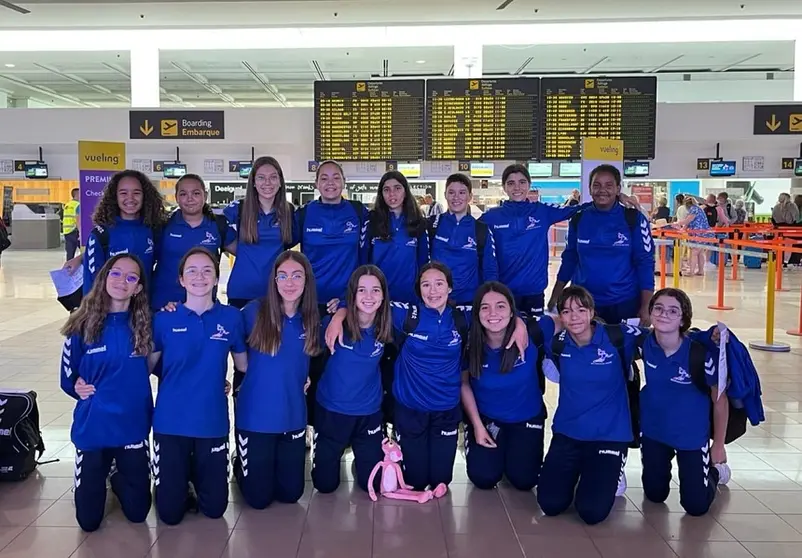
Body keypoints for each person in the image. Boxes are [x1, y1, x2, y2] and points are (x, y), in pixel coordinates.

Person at [325, 262, 528, 494]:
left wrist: (520, 323)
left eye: (439, 284)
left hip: (446, 410)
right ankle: (381, 454)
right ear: (419, 289)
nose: (433, 291)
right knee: (417, 482)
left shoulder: (463, 317)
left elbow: (499, 312)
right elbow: (368, 301)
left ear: (450, 288)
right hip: (411, 409)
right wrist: (339, 312)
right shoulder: (406, 315)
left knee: (442, 481)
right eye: (426, 285)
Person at [148, 248, 247, 525]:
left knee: (215, 510)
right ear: (181, 279)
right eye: (191, 270)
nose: (199, 276)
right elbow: (145, 367)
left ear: (217, 278)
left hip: (211, 422)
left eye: (207, 270)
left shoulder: (231, 318)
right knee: (169, 515)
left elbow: (243, 366)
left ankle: (193, 475)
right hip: (171, 423)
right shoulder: (164, 319)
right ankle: (180, 479)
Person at [59, 254, 154, 532]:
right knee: (88, 522)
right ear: (104, 278)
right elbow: (67, 376)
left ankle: (118, 477)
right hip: (94, 427)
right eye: (115, 273)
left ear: (138, 287)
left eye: (131, 277)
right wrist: (75, 384)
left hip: (132, 426)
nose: (122, 281)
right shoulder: (81, 324)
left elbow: (167, 363)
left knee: (138, 513)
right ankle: (102, 472)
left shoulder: (146, 324)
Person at [537, 286, 641, 525]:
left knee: (591, 513)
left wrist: (709, 337)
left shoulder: (617, 337)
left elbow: (662, 337)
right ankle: (582, 471)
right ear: (560, 316)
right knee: (550, 504)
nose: (574, 317)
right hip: (569, 432)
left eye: (580, 310)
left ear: (592, 312)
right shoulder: (558, 345)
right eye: (566, 311)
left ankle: (608, 470)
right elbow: (531, 325)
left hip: (608, 435)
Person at [234, 251, 318, 509]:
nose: (289, 282)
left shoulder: (312, 319)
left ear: (306, 281)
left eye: (296, 276)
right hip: (255, 420)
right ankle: (241, 461)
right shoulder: (252, 313)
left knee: (291, 494)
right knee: (259, 500)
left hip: (292, 419)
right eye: (282, 276)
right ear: (274, 280)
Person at [639, 288, 731, 516]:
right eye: (658, 308)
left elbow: (720, 401)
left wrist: (718, 445)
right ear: (650, 313)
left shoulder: (700, 354)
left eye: (673, 311)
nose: (664, 315)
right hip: (654, 432)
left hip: (690, 436)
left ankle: (716, 472)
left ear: (683, 319)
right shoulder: (644, 343)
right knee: (655, 495)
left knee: (695, 506)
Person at [461, 281, 553, 491]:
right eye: (485, 307)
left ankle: (512, 454)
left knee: (524, 481)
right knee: (483, 478)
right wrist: (477, 425)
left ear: (512, 311)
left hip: (526, 418)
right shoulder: (470, 342)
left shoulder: (533, 332)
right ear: (477, 313)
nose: (493, 313)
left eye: (501, 306)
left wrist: (521, 322)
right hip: (488, 420)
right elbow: (464, 384)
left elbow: (566, 322)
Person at [312, 265, 393, 494]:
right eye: (362, 290)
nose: (369, 297)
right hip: (332, 411)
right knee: (325, 485)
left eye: (375, 290)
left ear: (384, 294)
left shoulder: (388, 323)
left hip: (368, 413)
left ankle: (363, 460)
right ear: (352, 294)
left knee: (373, 484)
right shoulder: (334, 324)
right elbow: (307, 353)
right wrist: (339, 313)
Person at [223, 156, 295, 396]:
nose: (267, 183)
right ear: (253, 182)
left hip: (274, 295)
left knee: (271, 354)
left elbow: (288, 247)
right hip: (242, 294)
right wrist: (244, 253)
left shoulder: (287, 212)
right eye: (261, 177)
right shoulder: (238, 210)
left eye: (273, 177)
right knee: (242, 359)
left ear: (280, 181)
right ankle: (243, 421)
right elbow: (221, 236)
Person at [549, 164, 655, 326]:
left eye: (609, 185)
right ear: (590, 189)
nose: (602, 190)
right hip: (583, 303)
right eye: (596, 185)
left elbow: (645, 262)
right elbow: (570, 258)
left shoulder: (633, 219)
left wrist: (646, 305)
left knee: (621, 349)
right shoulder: (579, 218)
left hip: (624, 303)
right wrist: (556, 295)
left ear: (618, 189)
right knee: (584, 349)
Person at [480, 164, 592, 317]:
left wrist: (616, 197)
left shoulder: (541, 211)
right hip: (504, 293)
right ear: (504, 188)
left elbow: (574, 209)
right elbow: (467, 233)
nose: (517, 187)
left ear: (529, 185)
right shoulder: (491, 216)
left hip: (534, 293)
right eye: (511, 183)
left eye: (522, 182)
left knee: (535, 337)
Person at [150, 174, 236, 310]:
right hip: (164, 305)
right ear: (177, 197)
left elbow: (245, 254)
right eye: (183, 194)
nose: (190, 199)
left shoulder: (219, 225)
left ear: (205, 195)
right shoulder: (163, 225)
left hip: (203, 307)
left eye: (196, 193)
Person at [79, 170, 167, 295]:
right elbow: (92, 283)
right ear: (115, 197)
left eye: (136, 193)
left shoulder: (154, 230)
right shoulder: (101, 234)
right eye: (123, 193)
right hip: (111, 310)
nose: (130, 198)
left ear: (145, 196)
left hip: (144, 308)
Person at [428, 173, 498, 305]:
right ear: (445, 195)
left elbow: (490, 269)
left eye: (462, 192)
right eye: (451, 192)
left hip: (469, 302)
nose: (456, 197)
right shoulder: (432, 225)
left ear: (470, 196)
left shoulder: (480, 229)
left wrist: (490, 299)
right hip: (436, 300)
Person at [367, 170, 429, 303]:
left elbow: (423, 264)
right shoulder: (371, 221)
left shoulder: (419, 223)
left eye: (397, 188)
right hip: (377, 299)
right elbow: (363, 261)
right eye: (386, 190)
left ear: (405, 191)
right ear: (381, 194)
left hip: (409, 298)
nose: (392, 194)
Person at [675, 195, 712, 276]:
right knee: (700, 252)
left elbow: (688, 220)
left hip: (698, 234)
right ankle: (701, 270)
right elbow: (689, 222)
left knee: (694, 252)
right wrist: (683, 228)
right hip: (703, 233)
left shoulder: (693, 209)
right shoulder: (699, 209)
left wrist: (677, 223)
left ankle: (691, 271)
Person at [63, 187, 81, 260]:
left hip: (67, 231)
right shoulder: (78, 205)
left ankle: (68, 270)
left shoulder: (67, 205)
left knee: (70, 255)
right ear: (77, 195)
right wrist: (80, 232)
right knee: (84, 252)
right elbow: (78, 219)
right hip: (75, 231)